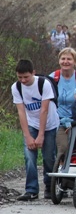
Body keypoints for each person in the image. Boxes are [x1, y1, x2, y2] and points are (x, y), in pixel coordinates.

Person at [12, 59, 60, 201]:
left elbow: (44, 110)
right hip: (31, 123)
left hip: (49, 124)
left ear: (33, 73)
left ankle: (50, 186)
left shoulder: (43, 84)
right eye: (20, 77)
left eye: (26, 77)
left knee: (48, 157)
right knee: (29, 156)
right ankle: (31, 189)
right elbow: (21, 112)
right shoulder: (17, 87)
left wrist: (41, 136)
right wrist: (27, 136)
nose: (23, 80)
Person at [49, 47, 76, 164]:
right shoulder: (53, 78)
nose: (65, 61)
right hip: (58, 121)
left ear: (75, 62)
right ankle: (62, 175)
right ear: (59, 61)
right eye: (63, 58)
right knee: (63, 149)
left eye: (69, 59)